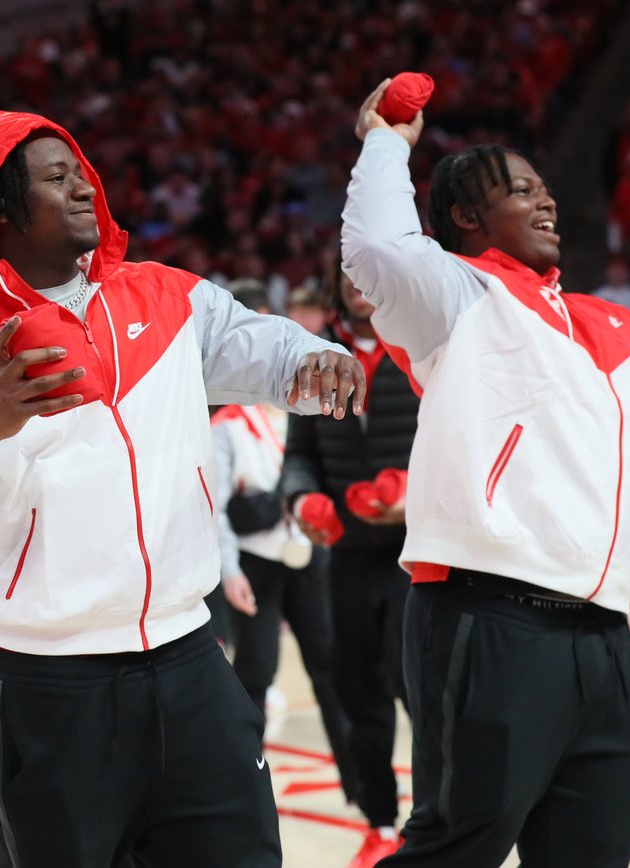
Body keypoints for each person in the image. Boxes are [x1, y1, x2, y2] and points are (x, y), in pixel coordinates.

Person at [0, 110, 366, 866]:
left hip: (191, 661)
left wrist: (312, 355)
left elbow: (257, 344)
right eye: (56, 177)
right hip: (46, 692)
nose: (83, 188)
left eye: (82, 173)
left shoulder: (165, 297)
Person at [343, 79, 630, 867]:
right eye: (520, 192)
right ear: (469, 219)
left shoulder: (612, 322)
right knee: (458, 841)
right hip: (488, 614)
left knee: (596, 834)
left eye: (545, 190)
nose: (547, 204)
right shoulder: (456, 296)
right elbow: (377, 249)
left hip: (603, 632)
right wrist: (383, 143)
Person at [282, 271, 421, 868]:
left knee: (422, 693)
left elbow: (463, 440)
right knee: (357, 693)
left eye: (372, 273)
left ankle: (437, 819)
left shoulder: (424, 349)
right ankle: (380, 822)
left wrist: (418, 491)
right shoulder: (318, 359)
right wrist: (301, 501)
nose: (360, 285)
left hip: (420, 557)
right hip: (347, 556)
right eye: (349, 276)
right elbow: (299, 456)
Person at [210, 286, 354, 800]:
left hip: (309, 555)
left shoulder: (306, 408)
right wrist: (229, 570)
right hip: (257, 562)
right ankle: (241, 784)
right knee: (254, 670)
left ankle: (359, 783)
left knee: (331, 666)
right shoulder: (227, 423)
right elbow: (215, 506)